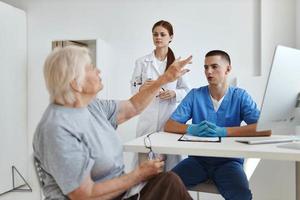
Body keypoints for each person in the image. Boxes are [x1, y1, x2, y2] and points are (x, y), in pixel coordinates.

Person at [32, 45, 193, 200]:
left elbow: (133, 106)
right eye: (90, 68)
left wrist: (164, 79)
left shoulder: (92, 106)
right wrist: (137, 175)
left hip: (122, 194)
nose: (98, 70)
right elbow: (84, 195)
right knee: (169, 185)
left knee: (169, 182)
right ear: (75, 83)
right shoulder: (56, 129)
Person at [164, 50, 271, 200]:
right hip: (197, 161)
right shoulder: (195, 95)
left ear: (228, 69)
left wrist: (225, 131)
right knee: (165, 185)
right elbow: (169, 125)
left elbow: (265, 128)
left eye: (214, 67)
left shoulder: (240, 96)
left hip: (229, 162)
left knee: (242, 196)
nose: (209, 71)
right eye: (206, 67)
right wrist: (190, 128)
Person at [131, 20, 190, 170]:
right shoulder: (142, 62)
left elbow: (187, 91)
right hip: (147, 120)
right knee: (144, 166)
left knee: (171, 167)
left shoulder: (177, 64)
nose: (158, 37)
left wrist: (173, 93)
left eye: (162, 34)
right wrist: (142, 89)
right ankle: (143, 194)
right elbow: (133, 90)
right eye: (155, 34)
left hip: (168, 119)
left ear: (171, 37)